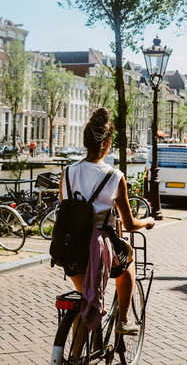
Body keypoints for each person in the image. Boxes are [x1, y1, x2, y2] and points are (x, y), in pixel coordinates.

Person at [59, 107, 155, 335]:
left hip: (69, 248)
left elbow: (66, 207)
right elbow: (129, 224)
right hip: (99, 248)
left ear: (84, 141)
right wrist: (147, 221)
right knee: (128, 259)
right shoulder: (115, 177)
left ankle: (74, 355)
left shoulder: (68, 171)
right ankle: (123, 320)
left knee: (85, 300)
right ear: (108, 142)